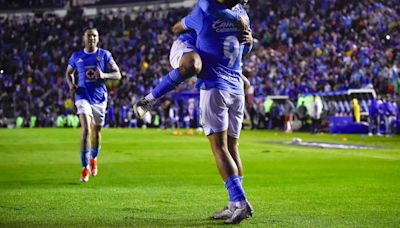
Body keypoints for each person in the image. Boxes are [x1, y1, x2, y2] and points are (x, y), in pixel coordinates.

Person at [174, 0, 253, 224]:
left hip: (215, 86)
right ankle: (234, 204)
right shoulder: (242, 15)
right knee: (232, 147)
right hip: (237, 86)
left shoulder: (204, 10)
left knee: (218, 148)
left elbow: (178, 27)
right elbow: (246, 45)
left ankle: (240, 201)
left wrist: (183, 31)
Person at [133, 0, 250, 118]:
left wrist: (248, 42)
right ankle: (147, 101)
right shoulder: (205, 10)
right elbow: (177, 28)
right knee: (193, 64)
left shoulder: (242, 14)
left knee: (244, 84)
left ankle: (222, 121)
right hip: (188, 45)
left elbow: (242, 51)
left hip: (211, 56)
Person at [65, 27, 122, 182]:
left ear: (98, 39)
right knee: (86, 130)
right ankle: (84, 168)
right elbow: (68, 72)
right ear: (84, 38)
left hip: (100, 98)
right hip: (82, 95)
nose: (92, 39)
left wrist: (104, 75)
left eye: (95, 36)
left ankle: (93, 158)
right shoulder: (77, 56)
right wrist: (71, 85)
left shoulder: (104, 55)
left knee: (96, 132)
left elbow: (118, 74)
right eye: (89, 36)